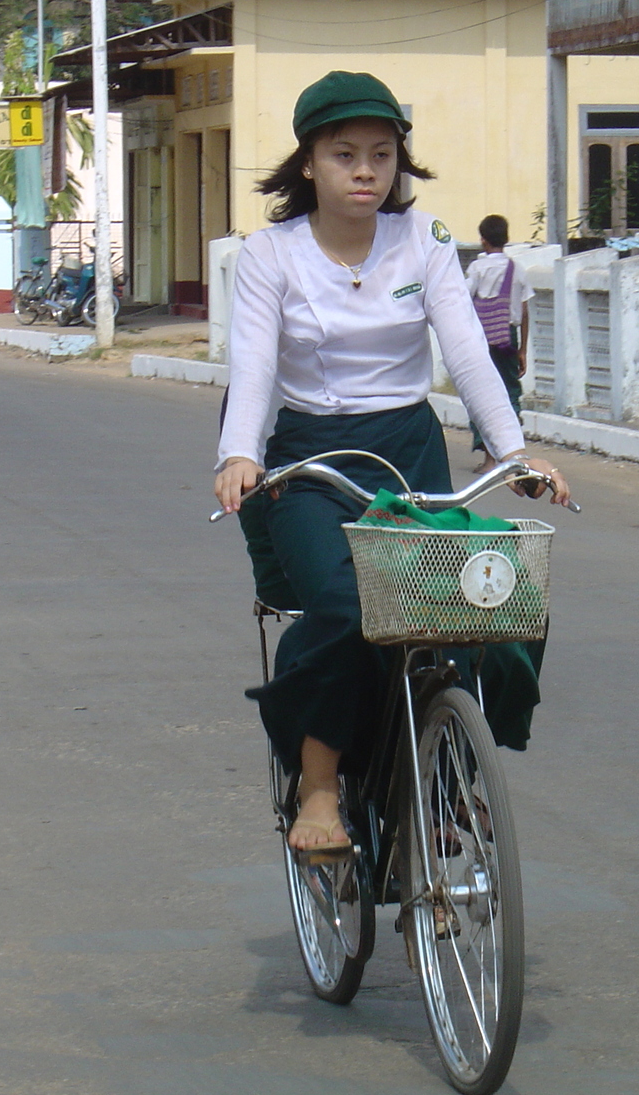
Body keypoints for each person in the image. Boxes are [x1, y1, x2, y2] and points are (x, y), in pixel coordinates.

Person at [213, 72, 572, 854]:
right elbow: (254, 369)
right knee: (345, 611)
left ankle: (443, 783)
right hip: (311, 461)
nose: (367, 170)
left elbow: (469, 354)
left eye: (382, 154)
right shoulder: (270, 255)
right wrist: (239, 453)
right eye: (345, 154)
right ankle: (318, 788)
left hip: (409, 451)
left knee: (468, 606)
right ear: (309, 162)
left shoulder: (427, 241)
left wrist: (512, 452)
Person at [466, 214, 533, 473]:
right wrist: (523, 350)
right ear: (506, 238)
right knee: (509, 392)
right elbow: (524, 312)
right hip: (508, 338)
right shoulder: (517, 269)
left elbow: (463, 300)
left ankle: (489, 459)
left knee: (480, 391)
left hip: (481, 339)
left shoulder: (477, 268)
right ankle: (512, 453)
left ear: (483, 240)